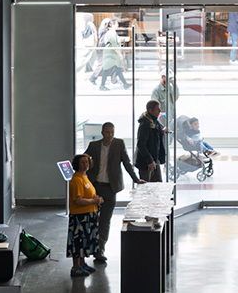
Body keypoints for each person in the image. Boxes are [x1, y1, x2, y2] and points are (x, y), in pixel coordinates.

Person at [87, 122, 134, 260]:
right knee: (92, 219)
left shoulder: (119, 144)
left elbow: (127, 163)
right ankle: (90, 246)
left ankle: (100, 250)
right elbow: (83, 161)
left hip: (110, 188)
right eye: (108, 132)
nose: (110, 135)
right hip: (95, 187)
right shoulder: (93, 146)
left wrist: (136, 179)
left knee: (105, 220)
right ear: (102, 132)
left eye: (112, 132)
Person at [68, 153, 102, 276]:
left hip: (88, 215)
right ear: (77, 164)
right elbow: (78, 200)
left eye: (86, 162)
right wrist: (94, 201)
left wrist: (96, 199)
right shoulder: (77, 179)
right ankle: (76, 266)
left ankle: (82, 264)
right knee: (78, 242)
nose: (85, 164)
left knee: (84, 242)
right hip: (79, 216)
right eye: (82, 162)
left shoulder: (84, 177)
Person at [135, 100, 167, 182]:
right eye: (157, 109)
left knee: (158, 185)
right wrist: (149, 161)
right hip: (146, 163)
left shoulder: (154, 120)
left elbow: (158, 129)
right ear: (150, 110)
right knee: (146, 188)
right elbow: (141, 144)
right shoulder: (145, 124)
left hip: (155, 160)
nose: (160, 111)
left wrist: (162, 131)